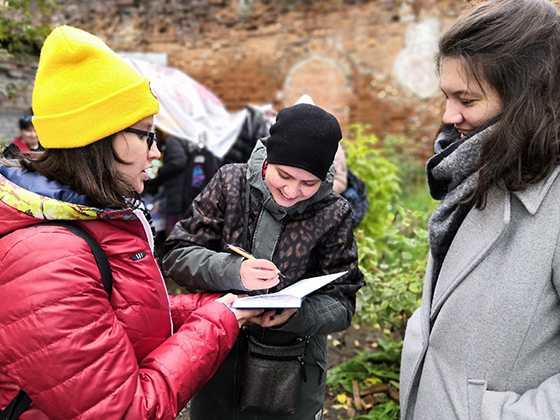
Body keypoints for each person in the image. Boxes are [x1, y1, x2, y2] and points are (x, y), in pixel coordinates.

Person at [0, 25, 263, 419]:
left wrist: (215, 306)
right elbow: (126, 411)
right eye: (146, 136)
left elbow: (115, 321)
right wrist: (218, 323)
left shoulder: (90, 221)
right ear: (102, 137)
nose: (156, 152)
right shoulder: (48, 260)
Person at [400, 0, 560, 418]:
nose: (448, 116)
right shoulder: (475, 169)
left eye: (466, 100)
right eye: (445, 96)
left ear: (527, 100)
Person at [163, 102, 364, 419]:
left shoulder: (333, 212)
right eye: (284, 175)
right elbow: (178, 256)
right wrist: (234, 271)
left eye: (308, 183)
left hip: (292, 369)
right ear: (268, 159)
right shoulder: (230, 184)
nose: (292, 190)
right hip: (218, 354)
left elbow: (342, 302)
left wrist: (294, 314)